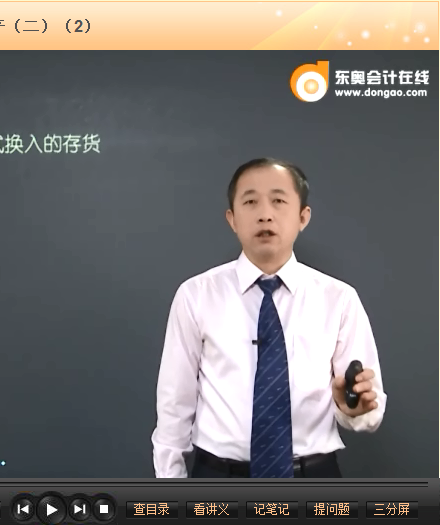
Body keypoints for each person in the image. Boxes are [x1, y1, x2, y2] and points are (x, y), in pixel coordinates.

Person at [151, 158, 386, 478]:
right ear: (232, 219)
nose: (265, 214)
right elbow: (174, 405)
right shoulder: (197, 295)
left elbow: (367, 406)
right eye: (250, 202)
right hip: (218, 479)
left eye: (278, 201)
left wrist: (355, 411)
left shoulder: (338, 299)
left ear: (303, 217)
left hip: (314, 479)